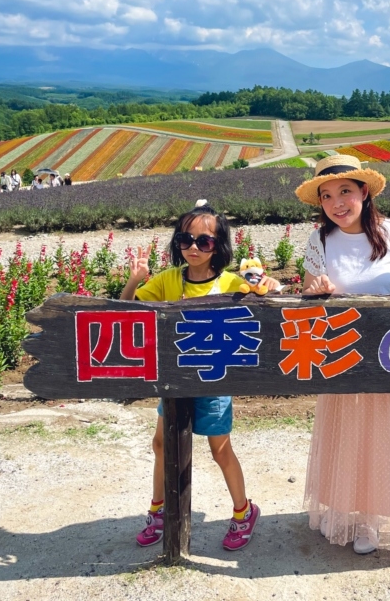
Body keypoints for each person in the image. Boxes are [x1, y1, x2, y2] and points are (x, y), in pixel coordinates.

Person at [295, 155, 390, 555]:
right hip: (344, 357)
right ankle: (351, 509)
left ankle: (371, 519)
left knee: (384, 436)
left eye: (345, 191)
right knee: (350, 436)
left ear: (364, 192)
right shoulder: (320, 241)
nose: (336, 203)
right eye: (327, 196)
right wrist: (317, 291)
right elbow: (309, 295)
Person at [120, 200, 279, 551]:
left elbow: (269, 301)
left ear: (218, 246)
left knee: (220, 449)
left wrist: (268, 285)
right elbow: (129, 311)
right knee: (161, 444)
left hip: (215, 380)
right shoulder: (166, 280)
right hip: (176, 379)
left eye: (204, 241)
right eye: (185, 239)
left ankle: (243, 511)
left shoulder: (232, 282)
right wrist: (133, 280)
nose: (193, 247)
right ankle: (159, 511)